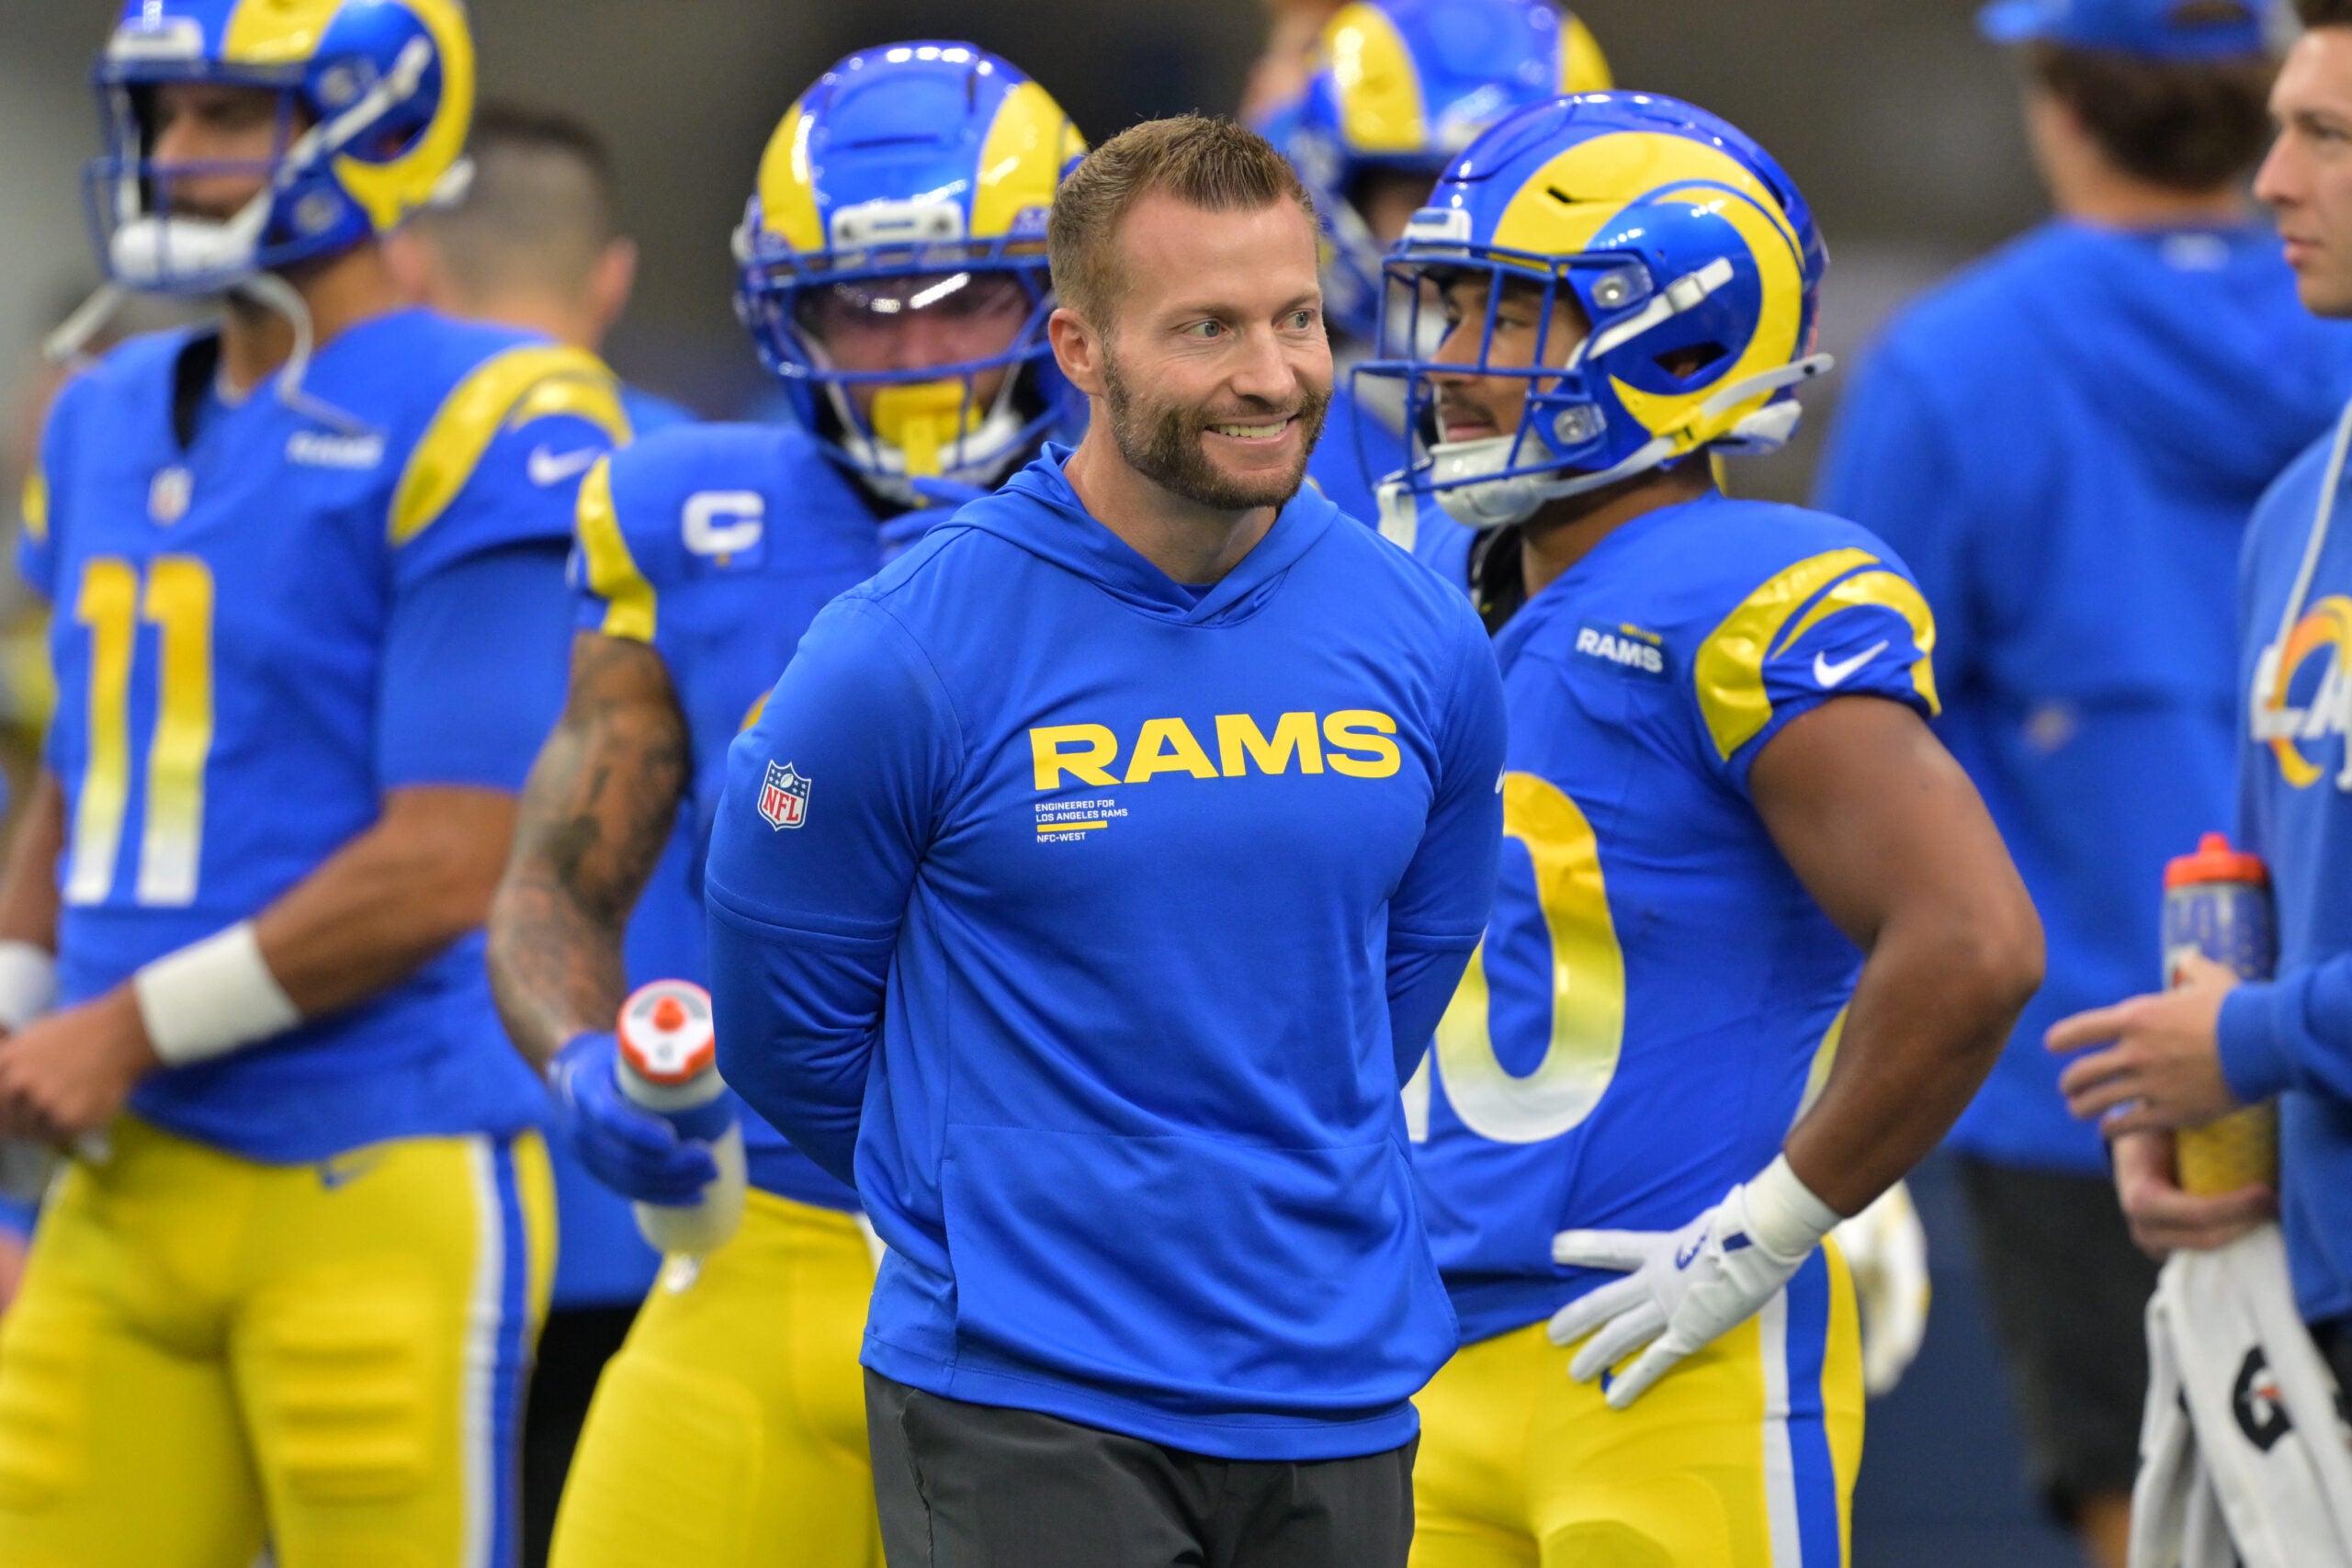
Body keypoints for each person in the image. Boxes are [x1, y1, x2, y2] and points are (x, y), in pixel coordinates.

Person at [702, 115, 1505, 1568]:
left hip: (1334, 1385)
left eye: (1296, 318)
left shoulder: (1423, 632)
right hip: (1026, 1393)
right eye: (1206, 327)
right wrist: (998, 1197)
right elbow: (783, 1028)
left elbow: (1407, 971)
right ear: (1078, 349)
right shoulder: (901, 651)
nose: (1272, 373)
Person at [1353, 91, 2044, 1566]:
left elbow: (1973, 940)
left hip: (1671, 1349)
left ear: (1678, 336)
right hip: (1411, 1352)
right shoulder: (1415, 571)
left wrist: (1781, 1216)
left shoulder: (1744, 589)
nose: (1455, 354)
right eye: (1454, 302)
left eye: (1511, 310)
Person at [0, 2, 633, 1562]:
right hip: (121, 1178)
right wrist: (17, 993)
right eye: (169, 115)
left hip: (370, 1163)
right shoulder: (99, 411)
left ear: (382, 127)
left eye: (231, 114)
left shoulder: (493, 407)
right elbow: (90, 764)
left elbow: (456, 854)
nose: (180, 155)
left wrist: (114, 1028)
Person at [485, 43, 1086, 1568]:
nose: (914, 350)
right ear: (782, 308)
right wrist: (580, 1055)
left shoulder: (1196, 528)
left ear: (1064, 295)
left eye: (964, 295)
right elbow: (554, 882)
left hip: (1082, 1272)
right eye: (859, 307)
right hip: (767, 1238)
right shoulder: (688, 519)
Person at [1812, 3, 2352, 1558]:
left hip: (2109, 1063)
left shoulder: (1955, 366)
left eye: (2327, 134)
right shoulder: (2314, 449)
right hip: (2208, 1094)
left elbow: (1835, 745)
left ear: (2057, 98)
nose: (2283, 176)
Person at [385, 97, 695, 1567]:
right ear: (613, 275)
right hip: (685, 1167)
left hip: (407, 1180)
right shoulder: (719, 482)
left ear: (407, 273)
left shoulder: (361, 495)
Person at [2047, 0, 2352, 1443]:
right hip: (2313, 1298)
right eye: (2279, 129)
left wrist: (2251, 1036)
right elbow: (2271, 897)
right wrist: (2202, 1104)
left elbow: (2272, 1010)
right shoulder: (2300, 506)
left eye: (2328, 137)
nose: (2271, 180)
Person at [1267, 0, 1609, 526]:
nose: (1464, 242)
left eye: (1509, 195)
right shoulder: (1274, 444)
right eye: (1423, 198)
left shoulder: (1635, 423)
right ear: (1342, 198)